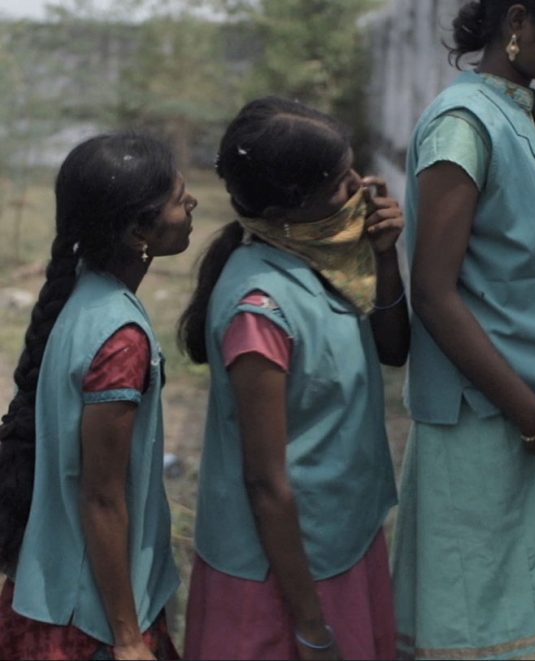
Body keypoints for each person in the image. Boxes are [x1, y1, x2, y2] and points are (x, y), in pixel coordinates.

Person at [391, 1, 535, 659]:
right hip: (487, 425)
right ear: (518, 23)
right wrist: (529, 415)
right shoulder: (463, 126)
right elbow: (433, 292)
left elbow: (522, 261)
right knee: (485, 625)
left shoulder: (523, 114)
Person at [178, 97, 408, 660]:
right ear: (289, 207)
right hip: (283, 578)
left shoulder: (320, 263)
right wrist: (309, 624)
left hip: (340, 541)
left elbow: (393, 348)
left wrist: (384, 257)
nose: (360, 187)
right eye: (339, 184)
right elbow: (266, 482)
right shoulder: (259, 308)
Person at [0, 133, 196, 660]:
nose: (192, 203)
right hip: (91, 621)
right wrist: (129, 639)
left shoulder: (84, 293)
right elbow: (101, 496)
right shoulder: (120, 336)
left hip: (56, 589)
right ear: (139, 231)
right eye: (179, 199)